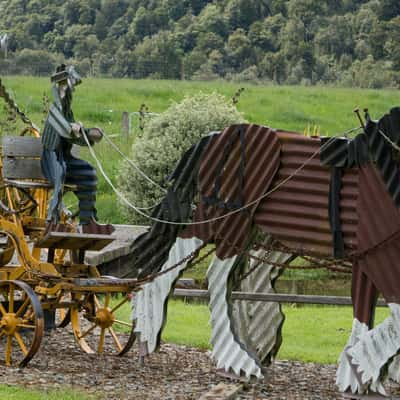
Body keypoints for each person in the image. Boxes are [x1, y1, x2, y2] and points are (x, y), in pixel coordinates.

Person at [41, 64, 114, 234]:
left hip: (64, 158)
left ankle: (88, 222)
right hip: (51, 160)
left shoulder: (68, 112)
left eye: (69, 90)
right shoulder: (54, 111)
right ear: (59, 89)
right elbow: (65, 130)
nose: (67, 93)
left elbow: (76, 134)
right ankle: (53, 221)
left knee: (88, 173)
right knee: (60, 175)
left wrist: (90, 134)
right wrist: (75, 129)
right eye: (64, 88)